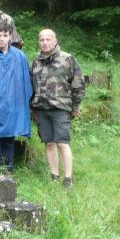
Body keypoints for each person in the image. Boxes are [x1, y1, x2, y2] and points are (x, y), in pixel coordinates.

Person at [30, 29, 85, 189]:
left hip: (61, 107)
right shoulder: (35, 61)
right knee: (49, 143)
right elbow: (32, 85)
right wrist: (32, 106)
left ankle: (68, 179)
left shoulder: (67, 59)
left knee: (62, 143)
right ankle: (54, 175)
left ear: (55, 40)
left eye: (48, 39)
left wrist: (76, 105)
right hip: (41, 108)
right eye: (42, 40)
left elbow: (78, 84)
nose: (45, 42)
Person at [0, 23, 32, 171]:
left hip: (13, 103)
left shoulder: (20, 56)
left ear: (10, 36)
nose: (1, 39)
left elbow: (25, 82)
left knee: (9, 138)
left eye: (5, 35)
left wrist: (23, 103)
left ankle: (8, 168)